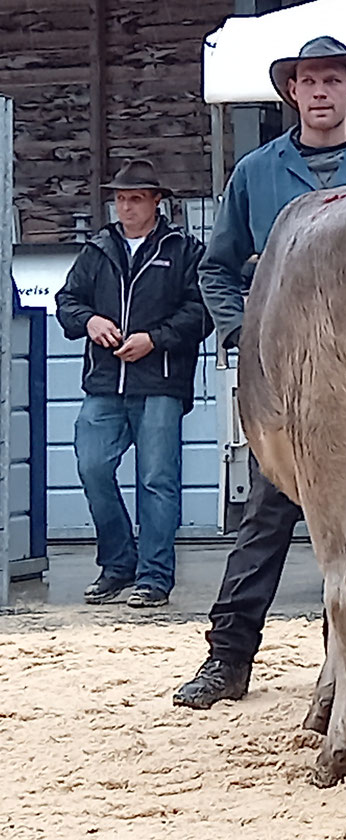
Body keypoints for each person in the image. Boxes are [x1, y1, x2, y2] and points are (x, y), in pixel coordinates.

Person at [173, 36, 346, 710]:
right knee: (266, 519)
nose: (319, 93)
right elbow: (217, 267)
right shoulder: (255, 172)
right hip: (288, 386)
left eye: (332, 80)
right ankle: (228, 657)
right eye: (308, 81)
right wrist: (243, 330)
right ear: (292, 94)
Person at [54, 160, 210, 608]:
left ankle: (154, 577)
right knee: (92, 467)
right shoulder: (98, 249)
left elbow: (199, 311)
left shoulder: (183, 249)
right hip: (104, 383)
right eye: (121, 199)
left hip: (159, 382)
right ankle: (119, 563)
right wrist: (90, 322)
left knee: (157, 480)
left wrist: (154, 340)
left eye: (136, 198)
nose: (126, 207)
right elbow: (67, 301)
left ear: (157, 201)